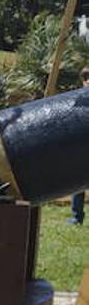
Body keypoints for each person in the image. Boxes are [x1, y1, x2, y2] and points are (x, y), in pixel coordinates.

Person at [69, 66, 88, 225]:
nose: (87, 82)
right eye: (85, 79)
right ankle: (76, 217)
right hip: (82, 148)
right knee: (78, 183)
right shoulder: (78, 99)